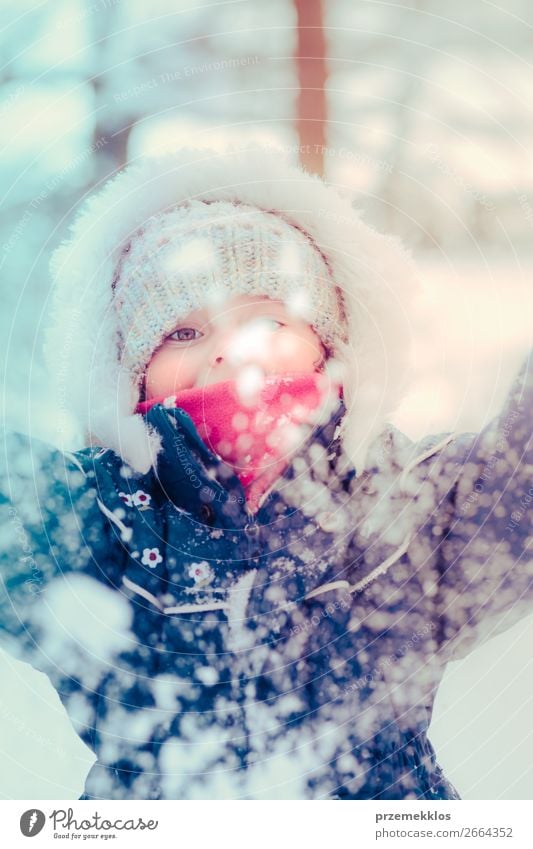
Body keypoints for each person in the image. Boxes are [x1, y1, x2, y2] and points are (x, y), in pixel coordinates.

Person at [1, 143, 531, 800]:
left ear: (329, 342)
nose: (230, 348)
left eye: (266, 317)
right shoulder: (94, 513)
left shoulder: (405, 500)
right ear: (128, 376)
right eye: (182, 333)